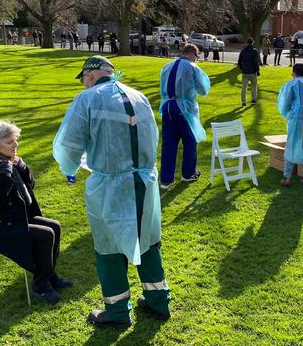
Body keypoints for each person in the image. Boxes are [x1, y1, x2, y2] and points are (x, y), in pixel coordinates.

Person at [53, 55, 171, 325]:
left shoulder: (88, 99)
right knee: (148, 243)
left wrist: (69, 168)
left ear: (90, 75)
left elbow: (70, 144)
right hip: (144, 182)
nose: (84, 84)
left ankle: (117, 312)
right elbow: (152, 137)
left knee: (109, 249)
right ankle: (158, 301)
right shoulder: (139, 97)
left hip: (110, 188)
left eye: (84, 78)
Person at [0, 121, 72, 305]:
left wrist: (23, 169)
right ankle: (41, 285)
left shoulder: (9, 162)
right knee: (45, 234)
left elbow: (30, 187)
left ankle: (48, 275)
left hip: (16, 216)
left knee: (55, 226)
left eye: (15, 140)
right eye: (10, 142)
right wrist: (5, 176)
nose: (15, 145)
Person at [159, 44, 211, 189]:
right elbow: (203, 89)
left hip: (167, 107)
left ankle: (166, 179)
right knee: (190, 141)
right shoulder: (191, 67)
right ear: (193, 54)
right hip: (185, 109)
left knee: (168, 144)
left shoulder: (166, 66)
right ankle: (188, 173)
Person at [237, 37, 261, 106]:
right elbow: (255, 62)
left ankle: (243, 101)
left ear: (247, 43)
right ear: (252, 42)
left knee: (244, 87)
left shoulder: (243, 51)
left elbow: (239, 61)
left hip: (245, 71)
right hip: (252, 72)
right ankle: (253, 99)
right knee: (254, 86)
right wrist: (257, 70)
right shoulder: (254, 51)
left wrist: (242, 69)